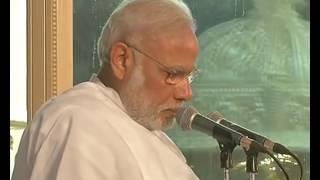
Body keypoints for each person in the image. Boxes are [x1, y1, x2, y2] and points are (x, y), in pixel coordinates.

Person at [12, 0, 200, 179]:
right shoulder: (78, 122)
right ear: (121, 59)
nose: (186, 93)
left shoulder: (148, 132)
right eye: (173, 74)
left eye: (189, 76)